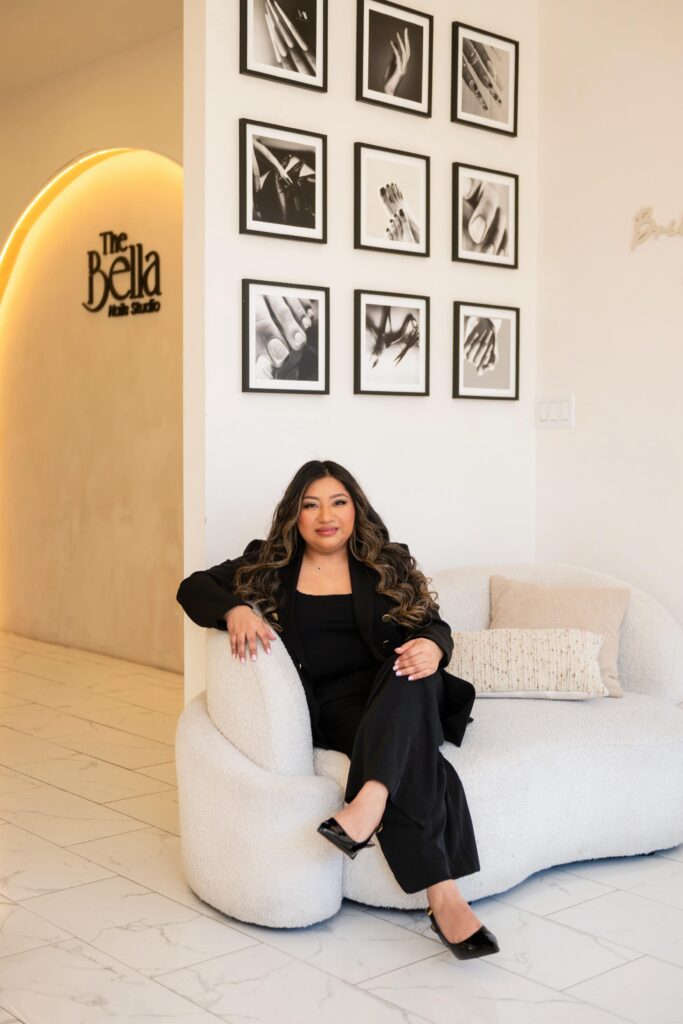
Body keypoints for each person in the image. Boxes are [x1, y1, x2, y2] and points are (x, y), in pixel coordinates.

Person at [176, 460, 499, 961]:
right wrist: (234, 608)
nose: (326, 516)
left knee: (409, 672)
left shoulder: (387, 561)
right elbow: (192, 587)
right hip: (335, 710)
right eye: (311, 505)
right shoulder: (268, 564)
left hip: (401, 688)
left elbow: (433, 625)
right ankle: (443, 895)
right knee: (420, 762)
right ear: (295, 515)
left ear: (355, 509)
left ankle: (370, 805)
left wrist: (435, 647)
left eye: (338, 502)